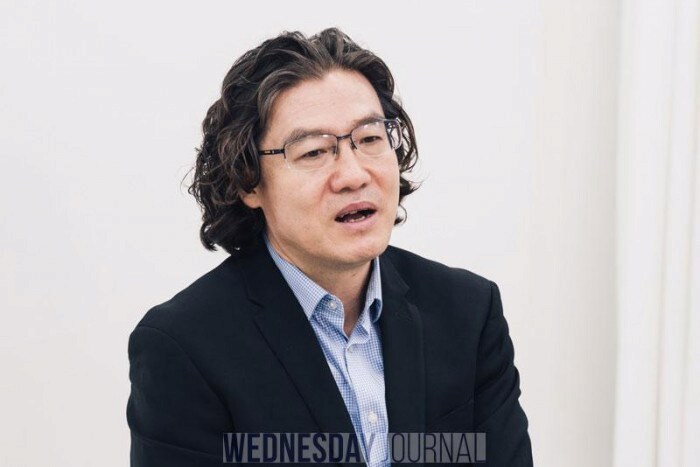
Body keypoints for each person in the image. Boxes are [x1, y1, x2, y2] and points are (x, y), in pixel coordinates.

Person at [126, 28, 533, 467]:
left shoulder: (468, 312)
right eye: (314, 152)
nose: (354, 175)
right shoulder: (184, 347)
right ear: (248, 181)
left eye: (370, 138)